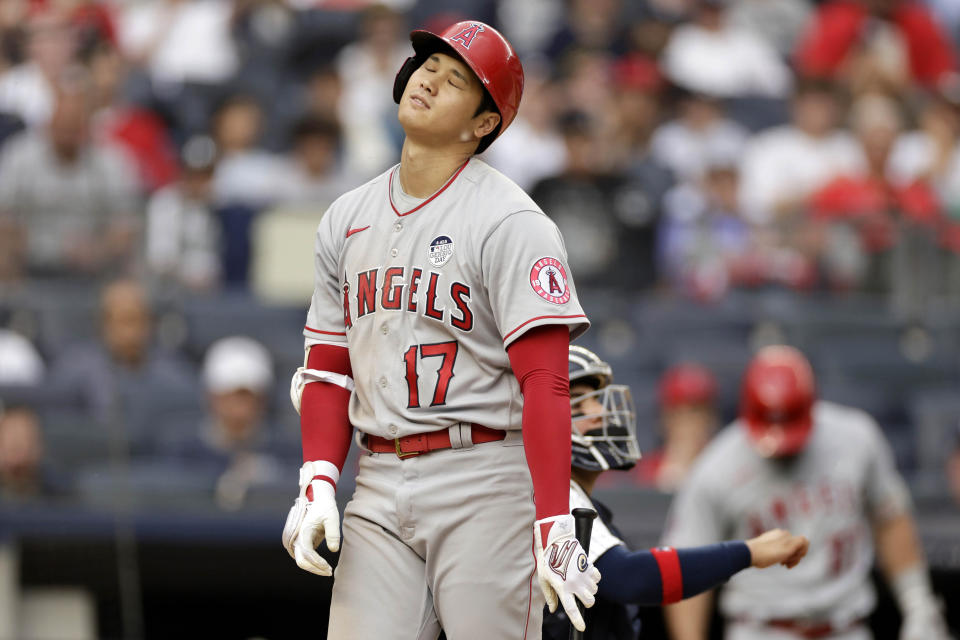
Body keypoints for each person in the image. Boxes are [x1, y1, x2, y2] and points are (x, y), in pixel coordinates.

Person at [281, 20, 601, 638]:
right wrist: (318, 477)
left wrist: (553, 519)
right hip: (376, 479)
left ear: (483, 124)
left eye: (456, 80)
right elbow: (326, 367)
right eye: (428, 64)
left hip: (484, 477)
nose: (429, 79)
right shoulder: (345, 217)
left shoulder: (512, 220)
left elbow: (546, 382)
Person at [662, 345, 951, 640]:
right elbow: (687, 567)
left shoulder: (856, 439)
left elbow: (890, 518)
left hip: (845, 628)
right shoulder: (716, 467)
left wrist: (918, 603)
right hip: (761, 629)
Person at [542, 346, 809, 639]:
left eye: (596, 400)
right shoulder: (553, 503)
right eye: (579, 405)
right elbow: (631, 577)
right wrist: (749, 552)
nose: (601, 413)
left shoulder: (569, 497)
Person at [634, 362, 720, 490]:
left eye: (695, 413)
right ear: (663, 420)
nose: (686, 424)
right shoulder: (646, 469)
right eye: (677, 414)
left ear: (710, 419)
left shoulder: (721, 467)